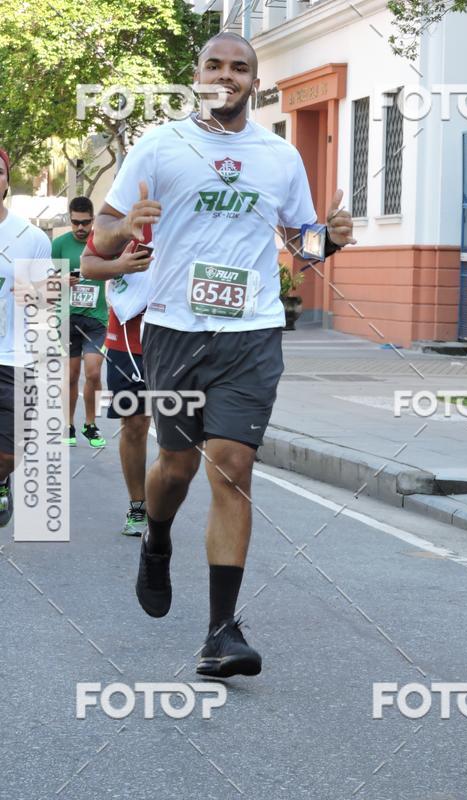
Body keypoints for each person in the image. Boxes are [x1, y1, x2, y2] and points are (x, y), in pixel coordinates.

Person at [93, 32, 355, 678]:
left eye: (239, 67)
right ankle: (157, 538)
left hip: (252, 333)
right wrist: (124, 228)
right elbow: (103, 231)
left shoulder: (280, 157)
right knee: (176, 468)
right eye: (214, 64)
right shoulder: (161, 145)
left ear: (254, 84)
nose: (225, 75)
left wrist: (331, 240)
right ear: (198, 75)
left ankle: (221, 632)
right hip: (175, 330)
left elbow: (301, 244)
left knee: (233, 468)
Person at [80, 238, 153, 535]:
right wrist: (120, 265)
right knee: (134, 424)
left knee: (179, 428)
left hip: (182, 334)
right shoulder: (121, 220)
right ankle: (138, 505)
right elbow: (89, 265)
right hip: (127, 336)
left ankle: (166, 501)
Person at [0, 148, 53, 525]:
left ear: (7, 180)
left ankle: (2, 477)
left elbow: (52, 294)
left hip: (15, 357)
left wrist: (34, 292)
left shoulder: (30, 236)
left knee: (11, 452)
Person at [52, 196, 107, 448]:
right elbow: (44, 282)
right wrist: (61, 279)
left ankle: (90, 424)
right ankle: (69, 425)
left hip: (96, 318)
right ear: (70, 219)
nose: (80, 228)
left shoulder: (102, 242)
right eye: (75, 222)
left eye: (85, 222)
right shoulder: (59, 245)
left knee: (93, 372)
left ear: (93, 220)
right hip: (67, 318)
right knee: (71, 375)